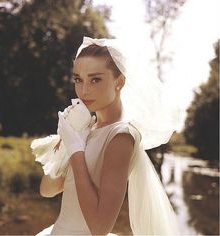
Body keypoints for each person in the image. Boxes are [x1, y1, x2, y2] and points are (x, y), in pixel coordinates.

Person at [36, 36, 181, 235]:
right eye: (78, 79)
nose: (84, 90)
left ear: (119, 82)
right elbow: (47, 190)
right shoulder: (87, 128)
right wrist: (66, 141)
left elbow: (100, 228)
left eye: (95, 79)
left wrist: (76, 151)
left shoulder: (121, 136)